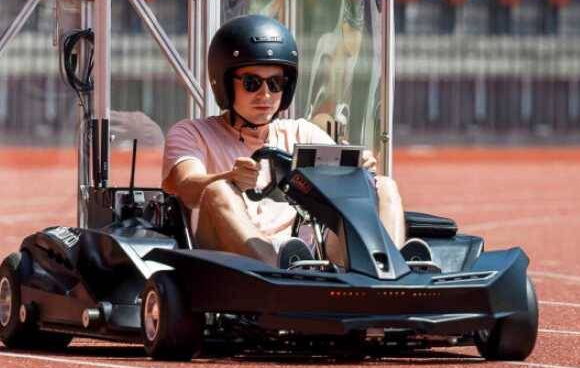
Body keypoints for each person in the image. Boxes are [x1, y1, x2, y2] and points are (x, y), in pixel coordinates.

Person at [162, 15, 410, 269]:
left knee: (384, 186)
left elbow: (348, 185)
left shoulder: (302, 132)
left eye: (276, 83)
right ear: (224, 84)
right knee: (217, 191)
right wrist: (228, 177)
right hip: (230, 264)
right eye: (252, 83)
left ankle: (392, 269)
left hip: (307, 254)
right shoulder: (192, 133)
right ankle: (278, 271)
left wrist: (358, 169)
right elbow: (186, 187)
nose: (266, 94)